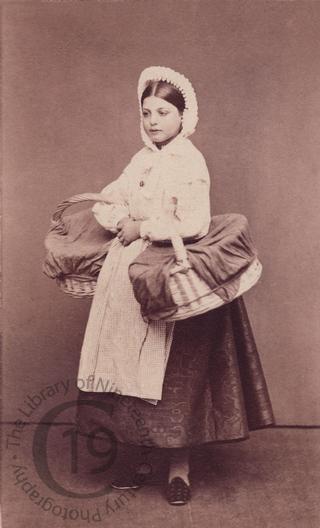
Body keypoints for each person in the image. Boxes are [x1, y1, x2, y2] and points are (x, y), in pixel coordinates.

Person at [76, 66, 274, 506]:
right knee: (129, 365)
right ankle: (140, 457)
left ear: (183, 116)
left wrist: (143, 225)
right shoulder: (141, 159)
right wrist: (121, 220)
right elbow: (110, 201)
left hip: (171, 277)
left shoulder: (189, 161)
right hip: (132, 274)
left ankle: (179, 468)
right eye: (147, 112)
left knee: (172, 378)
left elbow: (194, 221)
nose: (153, 121)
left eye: (163, 112)